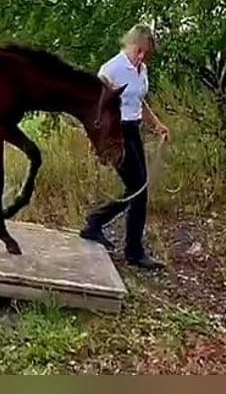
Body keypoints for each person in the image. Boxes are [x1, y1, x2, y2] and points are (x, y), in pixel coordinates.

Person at [79, 24, 169, 270]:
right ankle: (133, 251)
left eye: (146, 53)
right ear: (130, 44)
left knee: (138, 187)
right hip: (115, 133)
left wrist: (157, 125)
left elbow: (139, 101)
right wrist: (98, 142)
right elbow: (95, 108)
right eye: (139, 51)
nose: (141, 57)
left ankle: (96, 223)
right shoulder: (111, 70)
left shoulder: (142, 70)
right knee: (138, 188)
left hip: (133, 131)